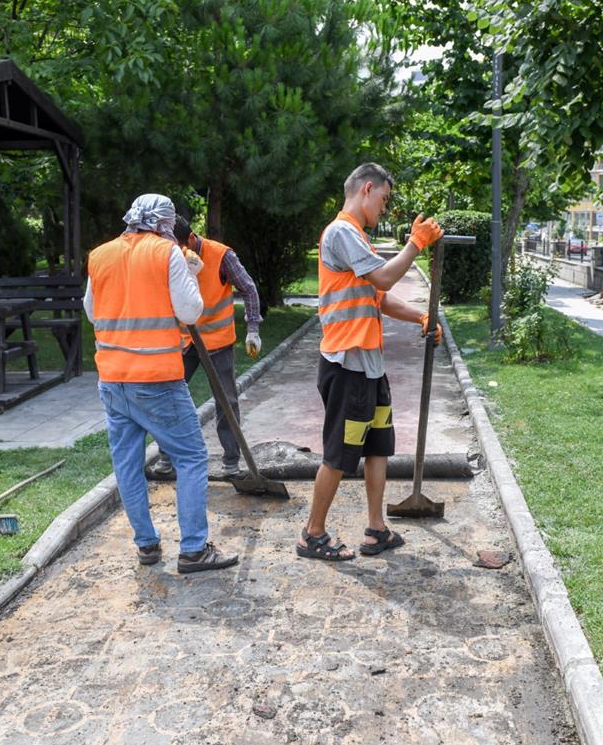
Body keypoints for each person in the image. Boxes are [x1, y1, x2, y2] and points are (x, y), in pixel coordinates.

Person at [296, 162, 444, 562]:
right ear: (366, 189)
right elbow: (383, 279)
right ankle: (313, 534)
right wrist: (415, 244)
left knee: (378, 447)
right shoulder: (342, 230)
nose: (384, 208)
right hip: (346, 366)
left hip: (370, 367)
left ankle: (376, 529)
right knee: (339, 455)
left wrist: (419, 316)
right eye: (383, 199)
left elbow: (377, 297)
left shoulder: (357, 237)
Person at [84, 193, 237, 574]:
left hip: (112, 379)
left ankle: (147, 546)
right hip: (156, 379)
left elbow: (91, 309)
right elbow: (190, 311)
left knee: (128, 464)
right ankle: (193, 549)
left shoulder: (99, 254)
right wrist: (189, 271)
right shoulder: (167, 253)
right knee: (191, 457)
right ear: (165, 223)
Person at [145, 217, 263, 481]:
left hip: (217, 342)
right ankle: (166, 459)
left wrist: (252, 328)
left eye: (177, 246)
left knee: (226, 401)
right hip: (183, 340)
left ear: (190, 239)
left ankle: (231, 463)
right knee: (167, 397)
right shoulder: (166, 254)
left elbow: (249, 288)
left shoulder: (222, 255)